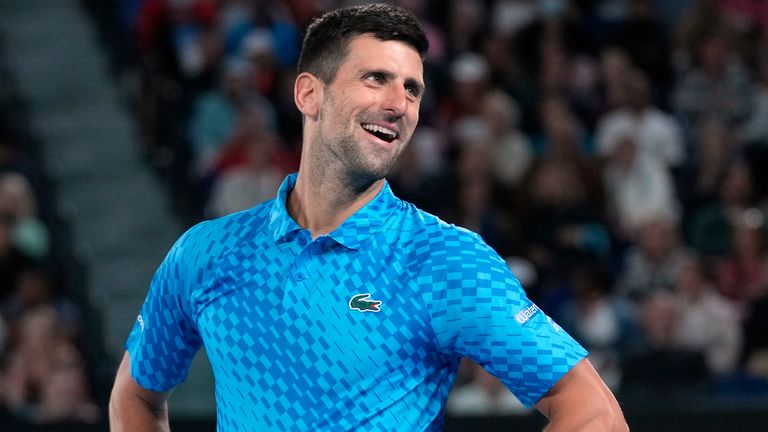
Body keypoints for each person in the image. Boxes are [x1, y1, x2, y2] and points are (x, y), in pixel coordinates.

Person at [110, 4, 627, 431]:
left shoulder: (443, 260)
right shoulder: (206, 252)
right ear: (309, 93)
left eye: (412, 89)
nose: (399, 104)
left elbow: (593, 413)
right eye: (376, 79)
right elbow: (134, 398)